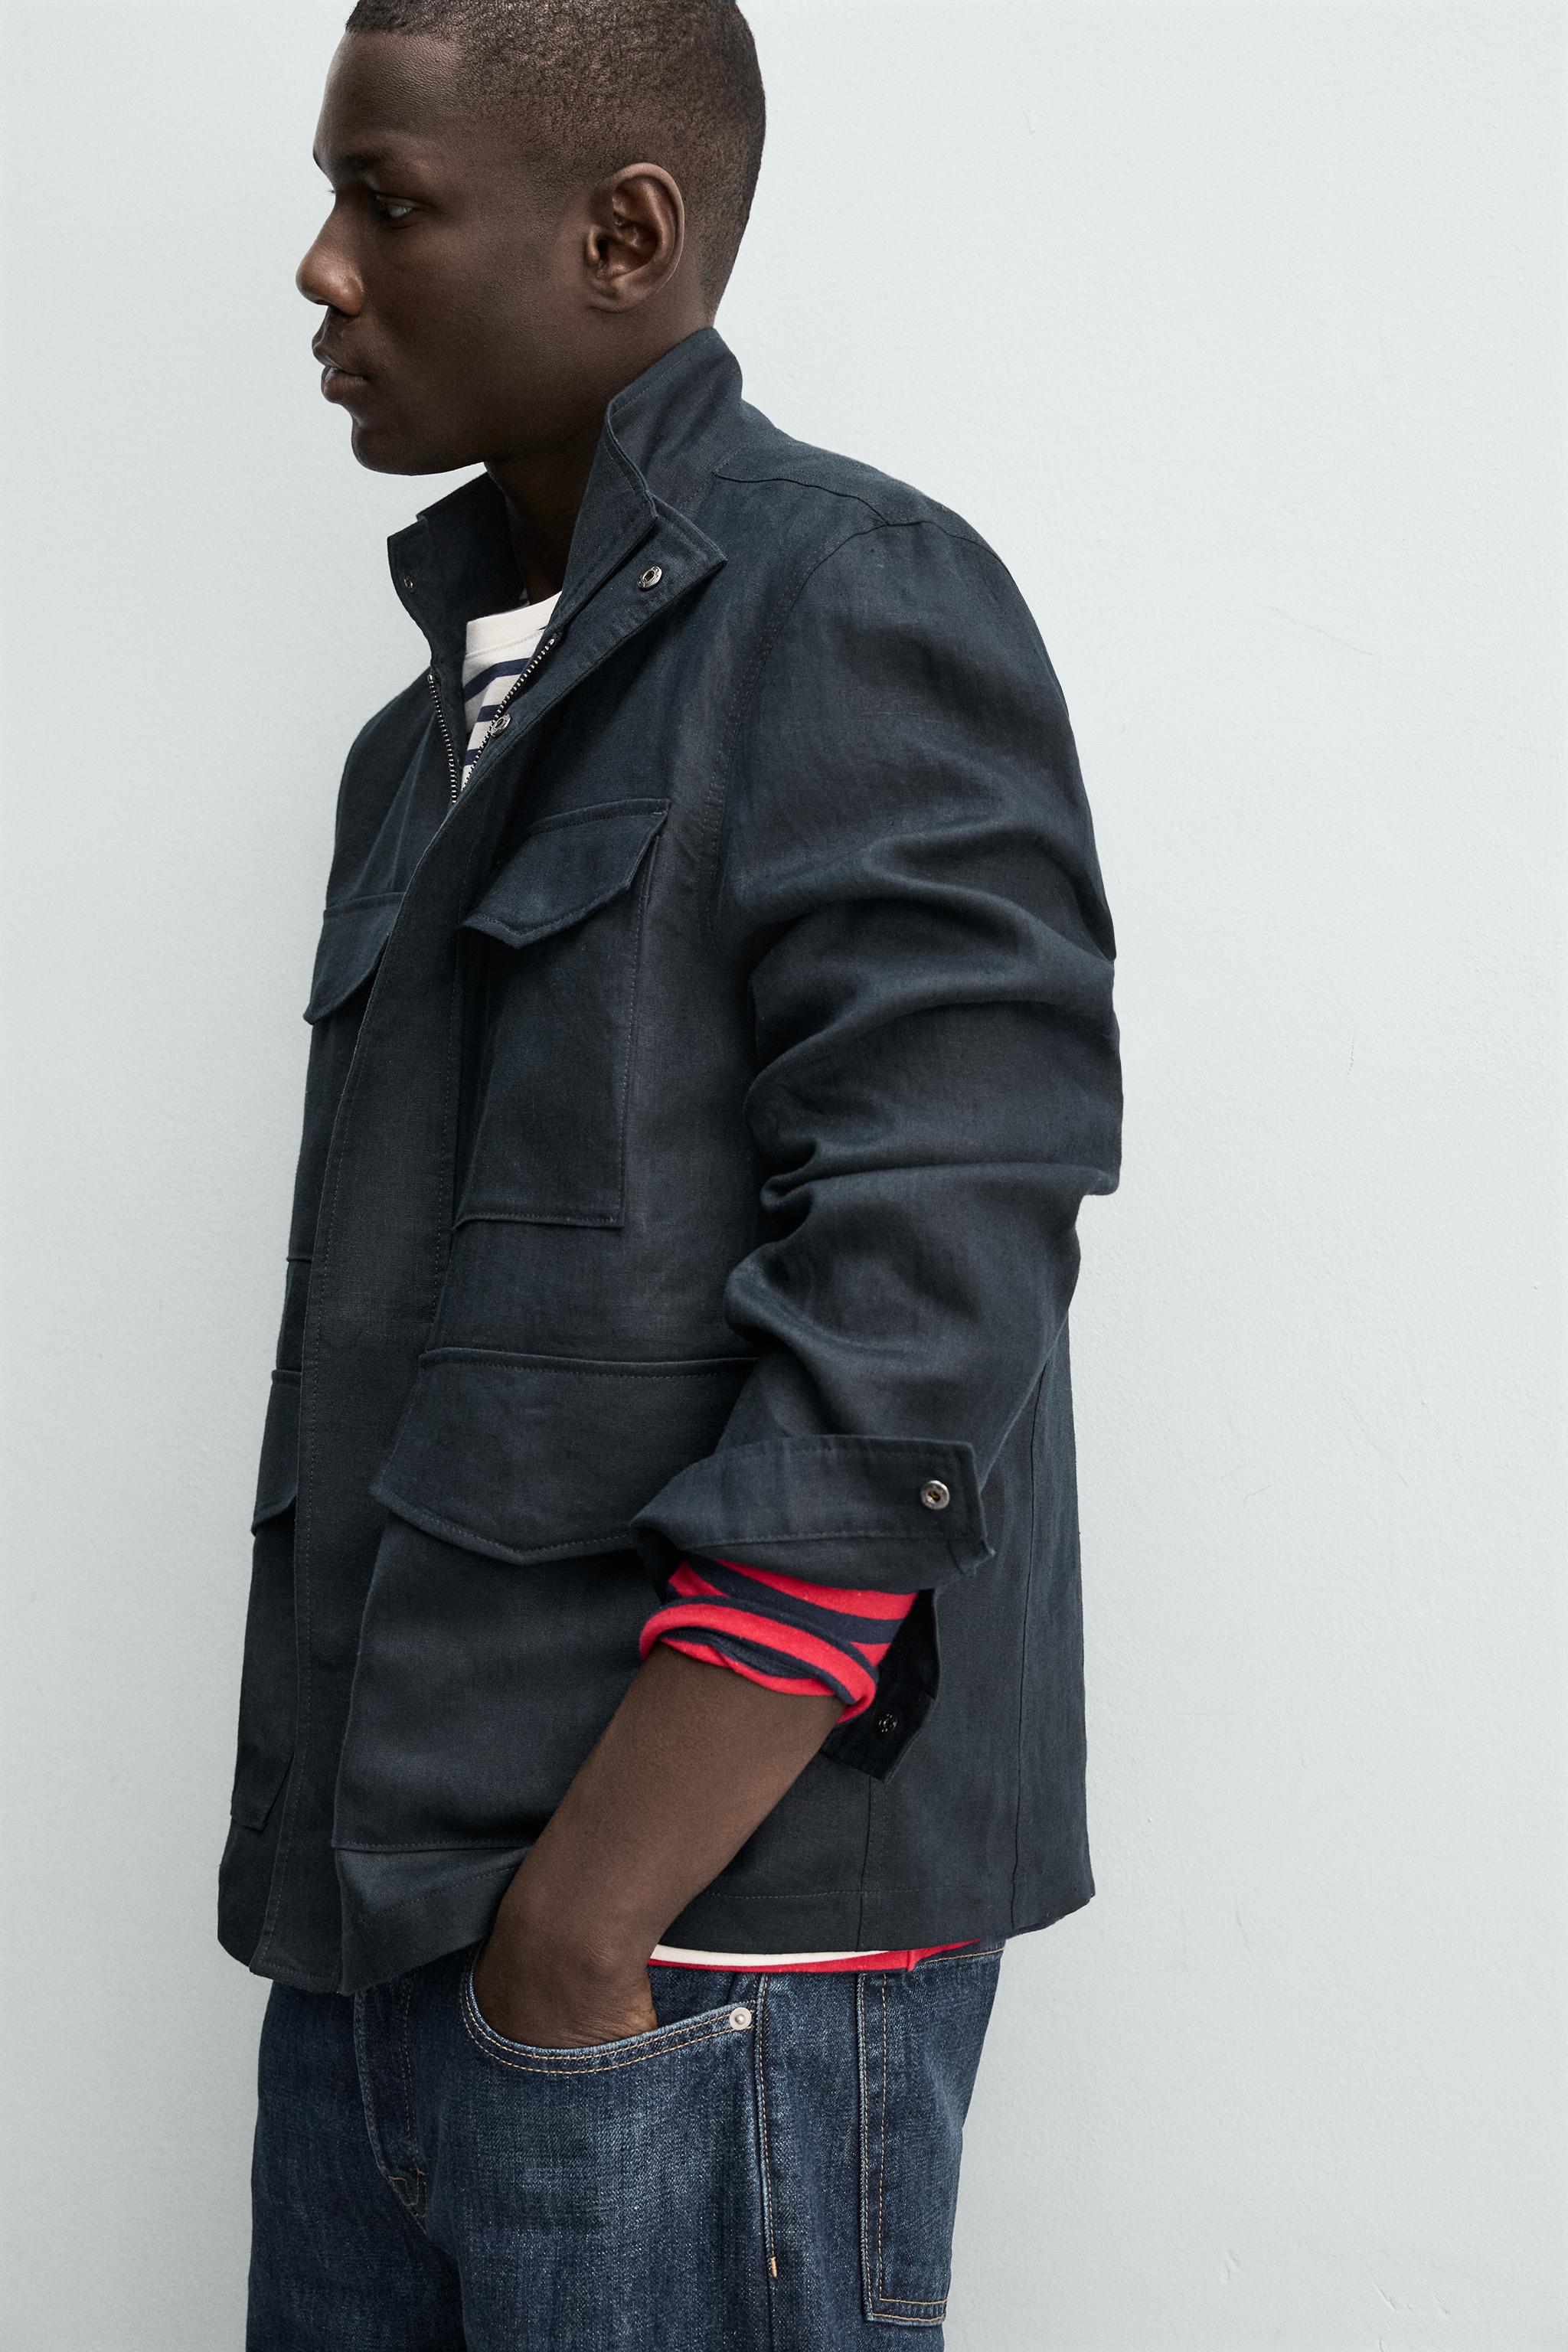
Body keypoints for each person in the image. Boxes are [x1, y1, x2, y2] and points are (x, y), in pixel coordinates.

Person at [221, 2, 1122, 2343]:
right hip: (383, 1938)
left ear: (626, 235)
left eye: (387, 199)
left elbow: (930, 1290)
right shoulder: (416, 749)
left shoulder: (852, 600)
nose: (323, 266)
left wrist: (589, 1922)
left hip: (698, 1964)